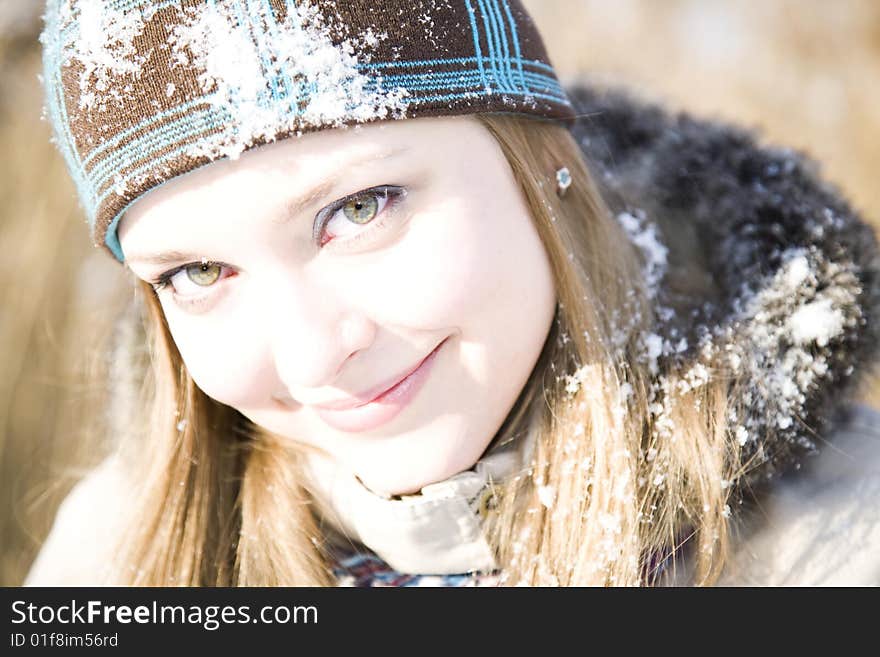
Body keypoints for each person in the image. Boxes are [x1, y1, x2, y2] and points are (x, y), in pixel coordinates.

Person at [25, 0, 880, 587]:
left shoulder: (844, 545)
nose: (315, 354)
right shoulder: (118, 554)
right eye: (197, 273)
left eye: (357, 210)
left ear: (540, 161)